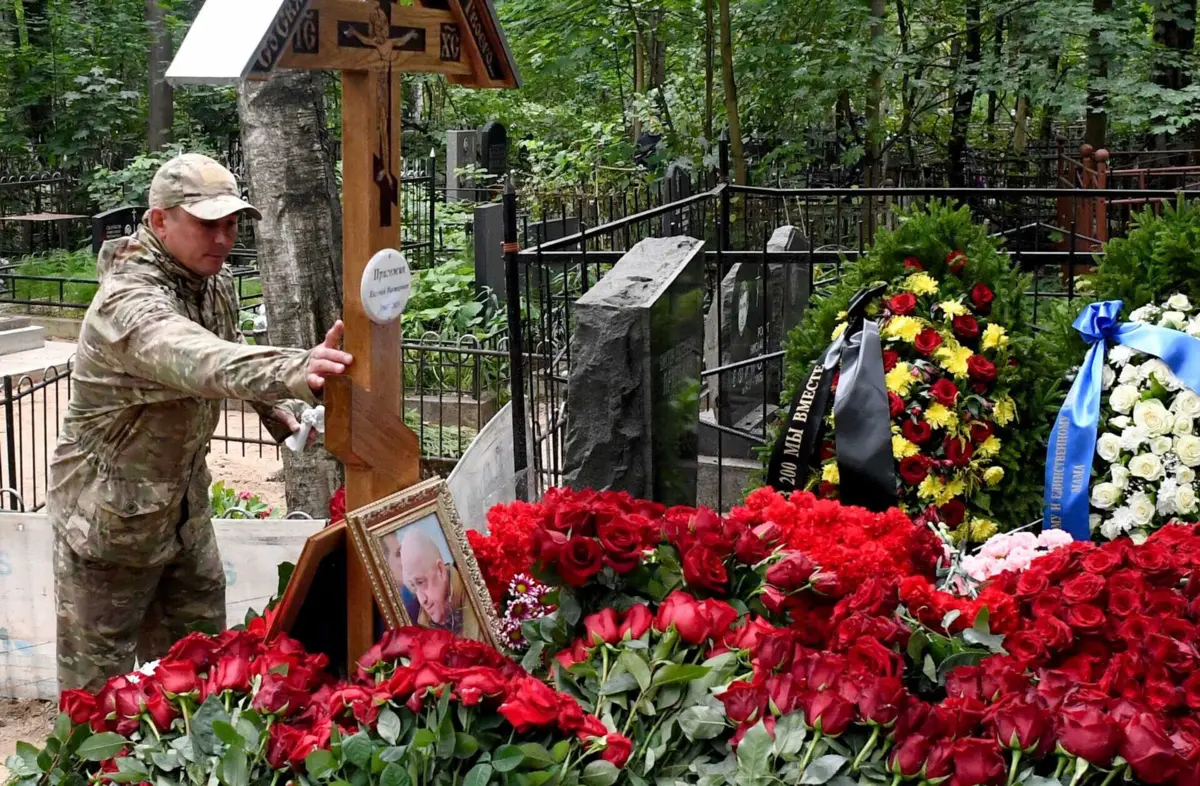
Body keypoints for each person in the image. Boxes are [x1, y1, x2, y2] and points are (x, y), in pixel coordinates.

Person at [49, 153, 354, 692]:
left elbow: (227, 343)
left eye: (232, 223)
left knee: (204, 674)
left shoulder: (213, 282)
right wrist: (294, 368)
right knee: (96, 699)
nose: (223, 238)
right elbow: (198, 358)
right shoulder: (126, 303)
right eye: (207, 223)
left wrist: (278, 415)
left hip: (184, 514)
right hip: (107, 527)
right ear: (160, 220)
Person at [398, 527, 480, 639]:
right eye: (414, 587)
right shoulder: (420, 629)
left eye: (421, 582)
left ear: (441, 570)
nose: (422, 600)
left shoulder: (476, 594)